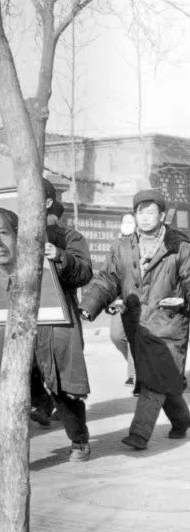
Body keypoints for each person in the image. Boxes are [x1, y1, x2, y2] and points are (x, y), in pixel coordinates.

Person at [0, 179, 94, 468]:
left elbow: (85, 273)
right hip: (17, 321)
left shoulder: (67, 237)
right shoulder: (10, 233)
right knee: (13, 384)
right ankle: (9, 454)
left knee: (63, 387)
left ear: (44, 203)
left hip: (55, 321)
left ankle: (78, 439)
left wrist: (61, 257)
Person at [80, 189, 190, 451]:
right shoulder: (122, 246)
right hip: (137, 324)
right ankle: (183, 420)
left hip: (170, 324)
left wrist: (183, 301)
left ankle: (139, 434)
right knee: (163, 378)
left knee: (155, 378)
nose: (144, 217)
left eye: (150, 212)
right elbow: (108, 278)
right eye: (140, 211)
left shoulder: (180, 247)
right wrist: (89, 304)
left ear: (163, 215)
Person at [107, 214, 137, 386]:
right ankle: (139, 365)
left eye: (130, 222)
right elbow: (110, 274)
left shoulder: (142, 245)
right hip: (120, 299)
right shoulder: (116, 246)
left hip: (139, 299)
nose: (127, 225)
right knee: (117, 335)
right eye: (124, 222)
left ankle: (134, 373)